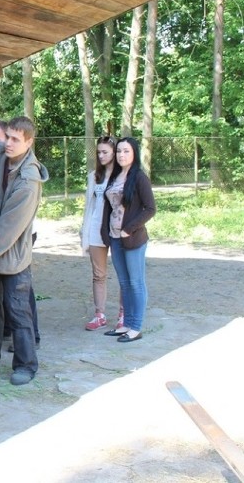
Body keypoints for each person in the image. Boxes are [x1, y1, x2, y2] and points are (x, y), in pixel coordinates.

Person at [0, 116, 48, 385]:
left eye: (15, 139)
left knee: (17, 310)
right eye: (7, 136)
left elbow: (8, 229)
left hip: (12, 256)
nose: (8, 143)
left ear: (29, 142)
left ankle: (26, 365)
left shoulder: (28, 180)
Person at [102, 137, 156, 343]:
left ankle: (136, 327)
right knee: (124, 283)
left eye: (126, 151)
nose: (121, 155)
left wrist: (128, 229)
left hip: (132, 239)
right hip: (114, 238)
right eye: (119, 151)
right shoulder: (114, 176)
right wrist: (107, 232)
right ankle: (125, 324)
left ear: (134, 153)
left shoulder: (139, 177)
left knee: (136, 283)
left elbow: (150, 209)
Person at [81, 136, 124, 331]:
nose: (101, 155)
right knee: (98, 274)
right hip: (96, 230)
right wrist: (85, 233)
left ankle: (124, 314)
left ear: (114, 152)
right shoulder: (94, 176)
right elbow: (88, 207)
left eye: (105, 151)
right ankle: (100, 314)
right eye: (98, 152)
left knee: (124, 273)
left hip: (116, 230)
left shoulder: (123, 175)